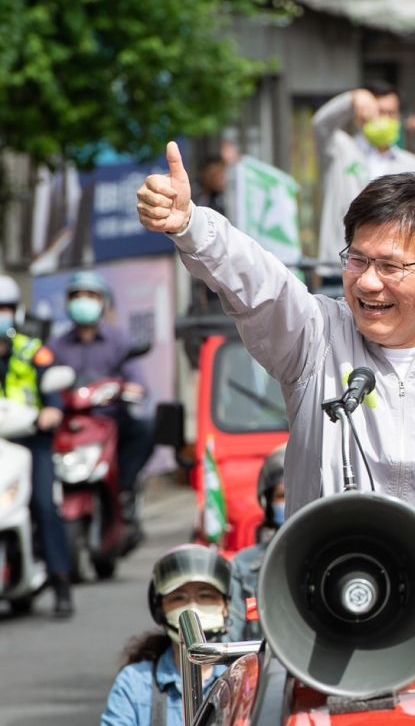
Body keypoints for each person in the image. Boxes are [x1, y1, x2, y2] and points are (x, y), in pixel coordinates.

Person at [137, 145, 415, 581]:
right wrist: (192, 226)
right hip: (332, 619)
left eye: (390, 266)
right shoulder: (315, 339)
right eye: (358, 259)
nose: (368, 282)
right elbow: (259, 283)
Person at [47, 271, 155, 528]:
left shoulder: (119, 341)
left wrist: (132, 389)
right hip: (72, 423)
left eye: (90, 295)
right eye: (77, 296)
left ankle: (126, 489)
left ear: (103, 302)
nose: (83, 301)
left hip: (111, 420)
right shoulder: (56, 346)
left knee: (146, 428)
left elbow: (137, 382)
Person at [0, 275, 73, 616]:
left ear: (17, 312)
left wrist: (52, 411)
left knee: (45, 506)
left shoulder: (34, 351)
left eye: (4, 309)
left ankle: (60, 583)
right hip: (2, 446)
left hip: (33, 443)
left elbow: (54, 395)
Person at [100, 544, 231, 726]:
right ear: (160, 609)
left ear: (226, 606)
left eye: (205, 595)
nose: (192, 607)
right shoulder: (135, 683)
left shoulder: (245, 677)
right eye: (179, 598)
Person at [315, 81, 415, 267]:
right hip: (339, 264)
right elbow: (321, 124)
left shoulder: (411, 164)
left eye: (391, 113)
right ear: (360, 116)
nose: (384, 119)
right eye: (378, 112)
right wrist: (352, 99)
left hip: (390, 268)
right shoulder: (341, 149)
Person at [226, 446, 285, 642]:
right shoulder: (244, 566)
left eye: (301, 494)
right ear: (267, 502)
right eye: (282, 496)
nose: (292, 503)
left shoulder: (334, 560)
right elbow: (231, 639)